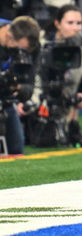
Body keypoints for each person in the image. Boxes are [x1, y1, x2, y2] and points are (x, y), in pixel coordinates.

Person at [29, 5, 82, 147]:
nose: (76, 28)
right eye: (70, 23)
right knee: (43, 140)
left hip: (66, 109)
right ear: (57, 24)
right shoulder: (39, 45)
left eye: (79, 23)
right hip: (37, 105)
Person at [0, 15, 40, 155]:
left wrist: (16, 87)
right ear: (8, 35)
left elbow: (28, 87)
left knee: (16, 151)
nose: (20, 54)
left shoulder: (31, 47)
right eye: (18, 49)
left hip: (6, 100)